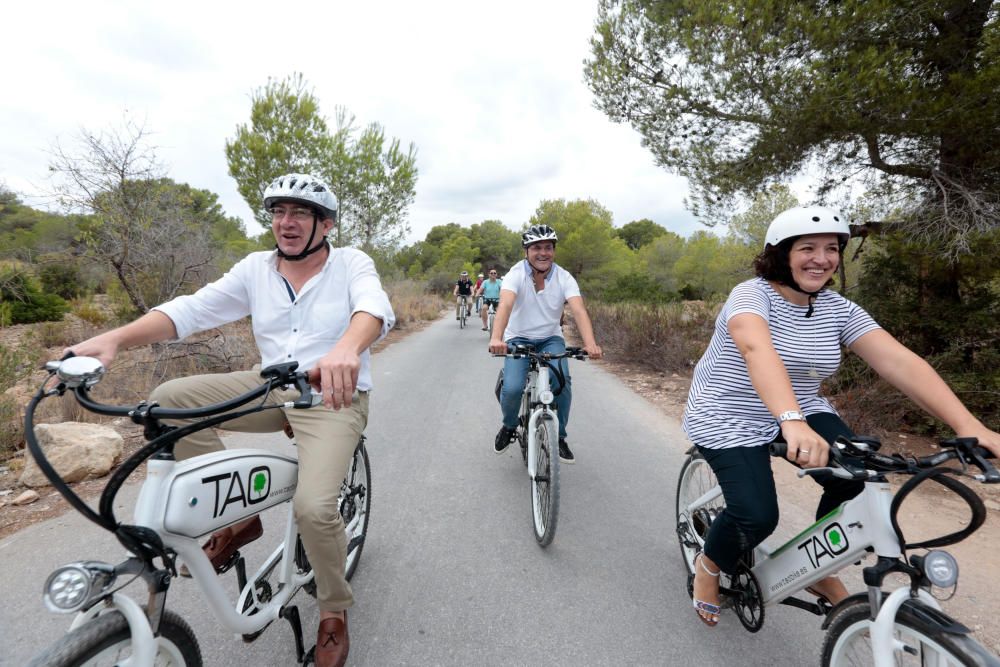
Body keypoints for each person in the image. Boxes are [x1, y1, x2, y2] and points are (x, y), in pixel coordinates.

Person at [67, 173, 394, 667]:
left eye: (300, 213)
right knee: (168, 401)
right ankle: (243, 521)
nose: (286, 222)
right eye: (278, 211)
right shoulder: (255, 269)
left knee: (313, 508)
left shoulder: (351, 263)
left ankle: (333, 608)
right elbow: (191, 311)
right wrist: (116, 338)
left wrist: (346, 349)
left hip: (332, 395)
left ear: (324, 224)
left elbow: (375, 308)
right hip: (271, 386)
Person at [681, 205, 1000, 627]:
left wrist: (968, 426)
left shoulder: (838, 309)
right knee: (756, 514)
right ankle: (709, 566)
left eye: (831, 248)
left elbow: (899, 363)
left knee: (858, 479)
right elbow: (758, 350)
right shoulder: (751, 295)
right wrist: (790, 420)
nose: (822, 258)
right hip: (728, 411)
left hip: (802, 407)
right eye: (807, 248)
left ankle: (818, 567)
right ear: (780, 254)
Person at [488, 224, 603, 463]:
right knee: (512, 388)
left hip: (551, 338)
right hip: (518, 337)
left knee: (562, 383)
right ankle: (509, 426)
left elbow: (579, 310)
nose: (543, 253)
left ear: (554, 250)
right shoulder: (515, 274)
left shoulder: (564, 277)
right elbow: (506, 304)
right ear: (526, 251)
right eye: (536, 248)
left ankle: (559, 436)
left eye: (548, 248)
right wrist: (497, 338)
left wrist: (590, 344)